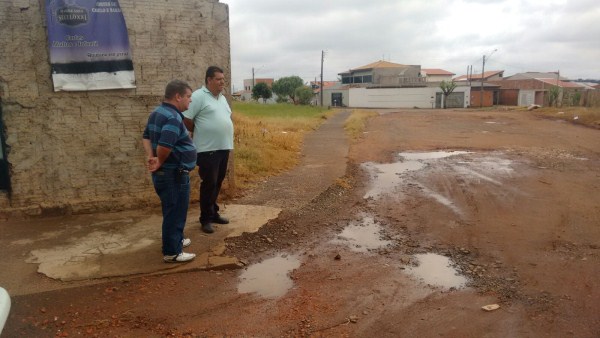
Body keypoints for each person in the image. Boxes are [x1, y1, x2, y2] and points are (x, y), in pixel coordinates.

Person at [143, 80, 197, 263]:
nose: (190, 101)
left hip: (166, 173)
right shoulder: (173, 117)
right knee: (175, 210)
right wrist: (160, 160)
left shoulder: (157, 112)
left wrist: (152, 157)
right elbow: (165, 146)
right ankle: (173, 252)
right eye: (189, 97)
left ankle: (177, 239)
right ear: (178, 96)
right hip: (173, 173)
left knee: (173, 209)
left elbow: (146, 137)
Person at [183, 66, 234, 234]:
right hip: (207, 149)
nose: (222, 82)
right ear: (209, 80)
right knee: (209, 184)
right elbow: (186, 118)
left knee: (217, 182)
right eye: (218, 79)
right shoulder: (198, 96)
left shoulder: (222, 98)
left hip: (223, 147)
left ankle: (213, 213)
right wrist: (200, 130)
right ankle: (205, 219)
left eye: (223, 79)